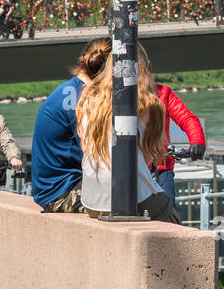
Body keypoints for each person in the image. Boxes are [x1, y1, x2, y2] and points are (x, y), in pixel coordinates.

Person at [76, 46, 179, 222]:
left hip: (91, 200)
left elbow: (85, 146)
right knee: (173, 220)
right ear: (145, 68)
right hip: (133, 197)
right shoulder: (148, 105)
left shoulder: (87, 98)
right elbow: (147, 159)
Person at [31, 38, 111, 212]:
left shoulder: (70, 90)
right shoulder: (83, 100)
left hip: (54, 187)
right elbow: (99, 155)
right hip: (61, 193)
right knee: (129, 199)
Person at [151, 53, 205, 206]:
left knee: (167, 212)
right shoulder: (119, 97)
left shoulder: (162, 94)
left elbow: (187, 118)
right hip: (131, 169)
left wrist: (197, 141)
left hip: (161, 166)